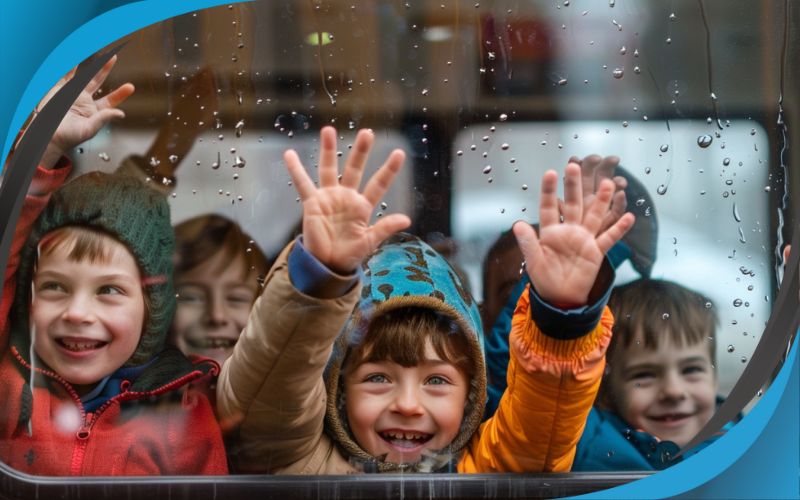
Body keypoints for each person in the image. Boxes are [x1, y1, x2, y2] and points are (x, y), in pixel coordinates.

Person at [215, 125, 635, 473]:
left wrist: (560, 320)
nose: (408, 405)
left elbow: (540, 426)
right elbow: (274, 394)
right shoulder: (301, 461)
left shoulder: (487, 471)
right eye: (378, 377)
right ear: (339, 389)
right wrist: (319, 281)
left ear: (471, 395)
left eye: (437, 380)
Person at [0, 56, 228, 475]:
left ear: (152, 307)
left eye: (108, 290)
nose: (77, 312)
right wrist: (43, 148)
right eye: (54, 287)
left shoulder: (181, 411)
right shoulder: (10, 388)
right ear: (25, 295)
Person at [481, 156, 658, 417]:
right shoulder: (493, 409)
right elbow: (525, 376)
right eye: (517, 293)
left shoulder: (624, 401)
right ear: (483, 318)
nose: (553, 291)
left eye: (583, 290)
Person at [572, 278, 723, 471]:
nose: (673, 391)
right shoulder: (588, 444)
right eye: (644, 375)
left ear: (714, 378)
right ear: (605, 391)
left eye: (691, 370)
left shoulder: (744, 442)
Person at [171, 214, 271, 366]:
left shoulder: (282, 386)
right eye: (191, 297)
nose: (217, 316)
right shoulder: (132, 387)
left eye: (236, 298)